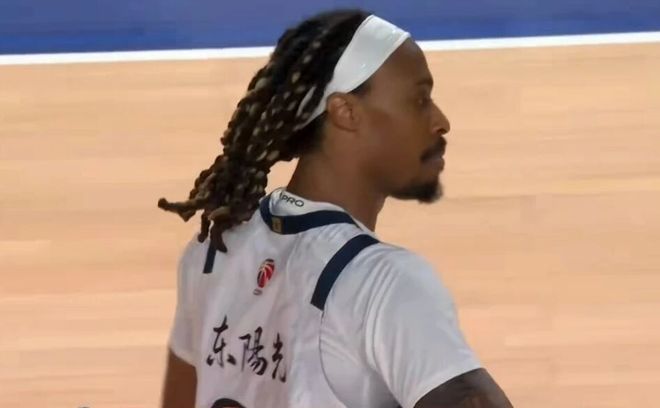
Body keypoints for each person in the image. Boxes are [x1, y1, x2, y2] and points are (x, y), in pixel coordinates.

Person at [158, 9, 513, 408]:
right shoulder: (382, 285)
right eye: (419, 100)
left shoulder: (211, 254)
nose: (440, 121)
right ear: (345, 111)